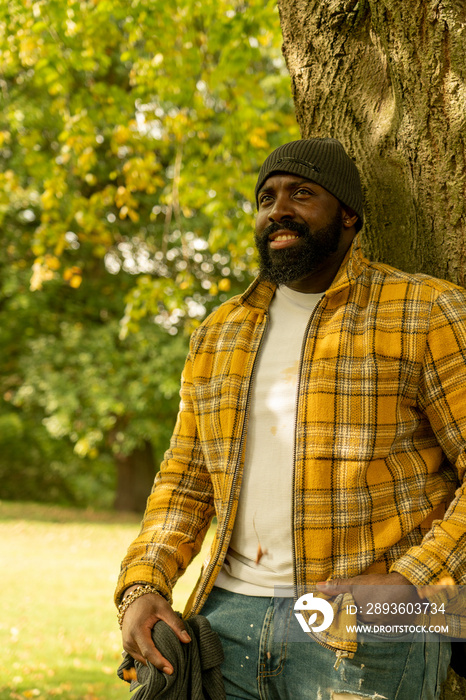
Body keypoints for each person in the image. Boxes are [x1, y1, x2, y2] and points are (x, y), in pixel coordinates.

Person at [115, 138, 466, 699]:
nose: (278, 209)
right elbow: (185, 480)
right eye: (266, 197)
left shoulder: (426, 311)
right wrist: (142, 585)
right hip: (226, 622)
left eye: (302, 194)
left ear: (348, 216)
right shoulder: (219, 332)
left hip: (374, 624)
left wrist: (414, 583)